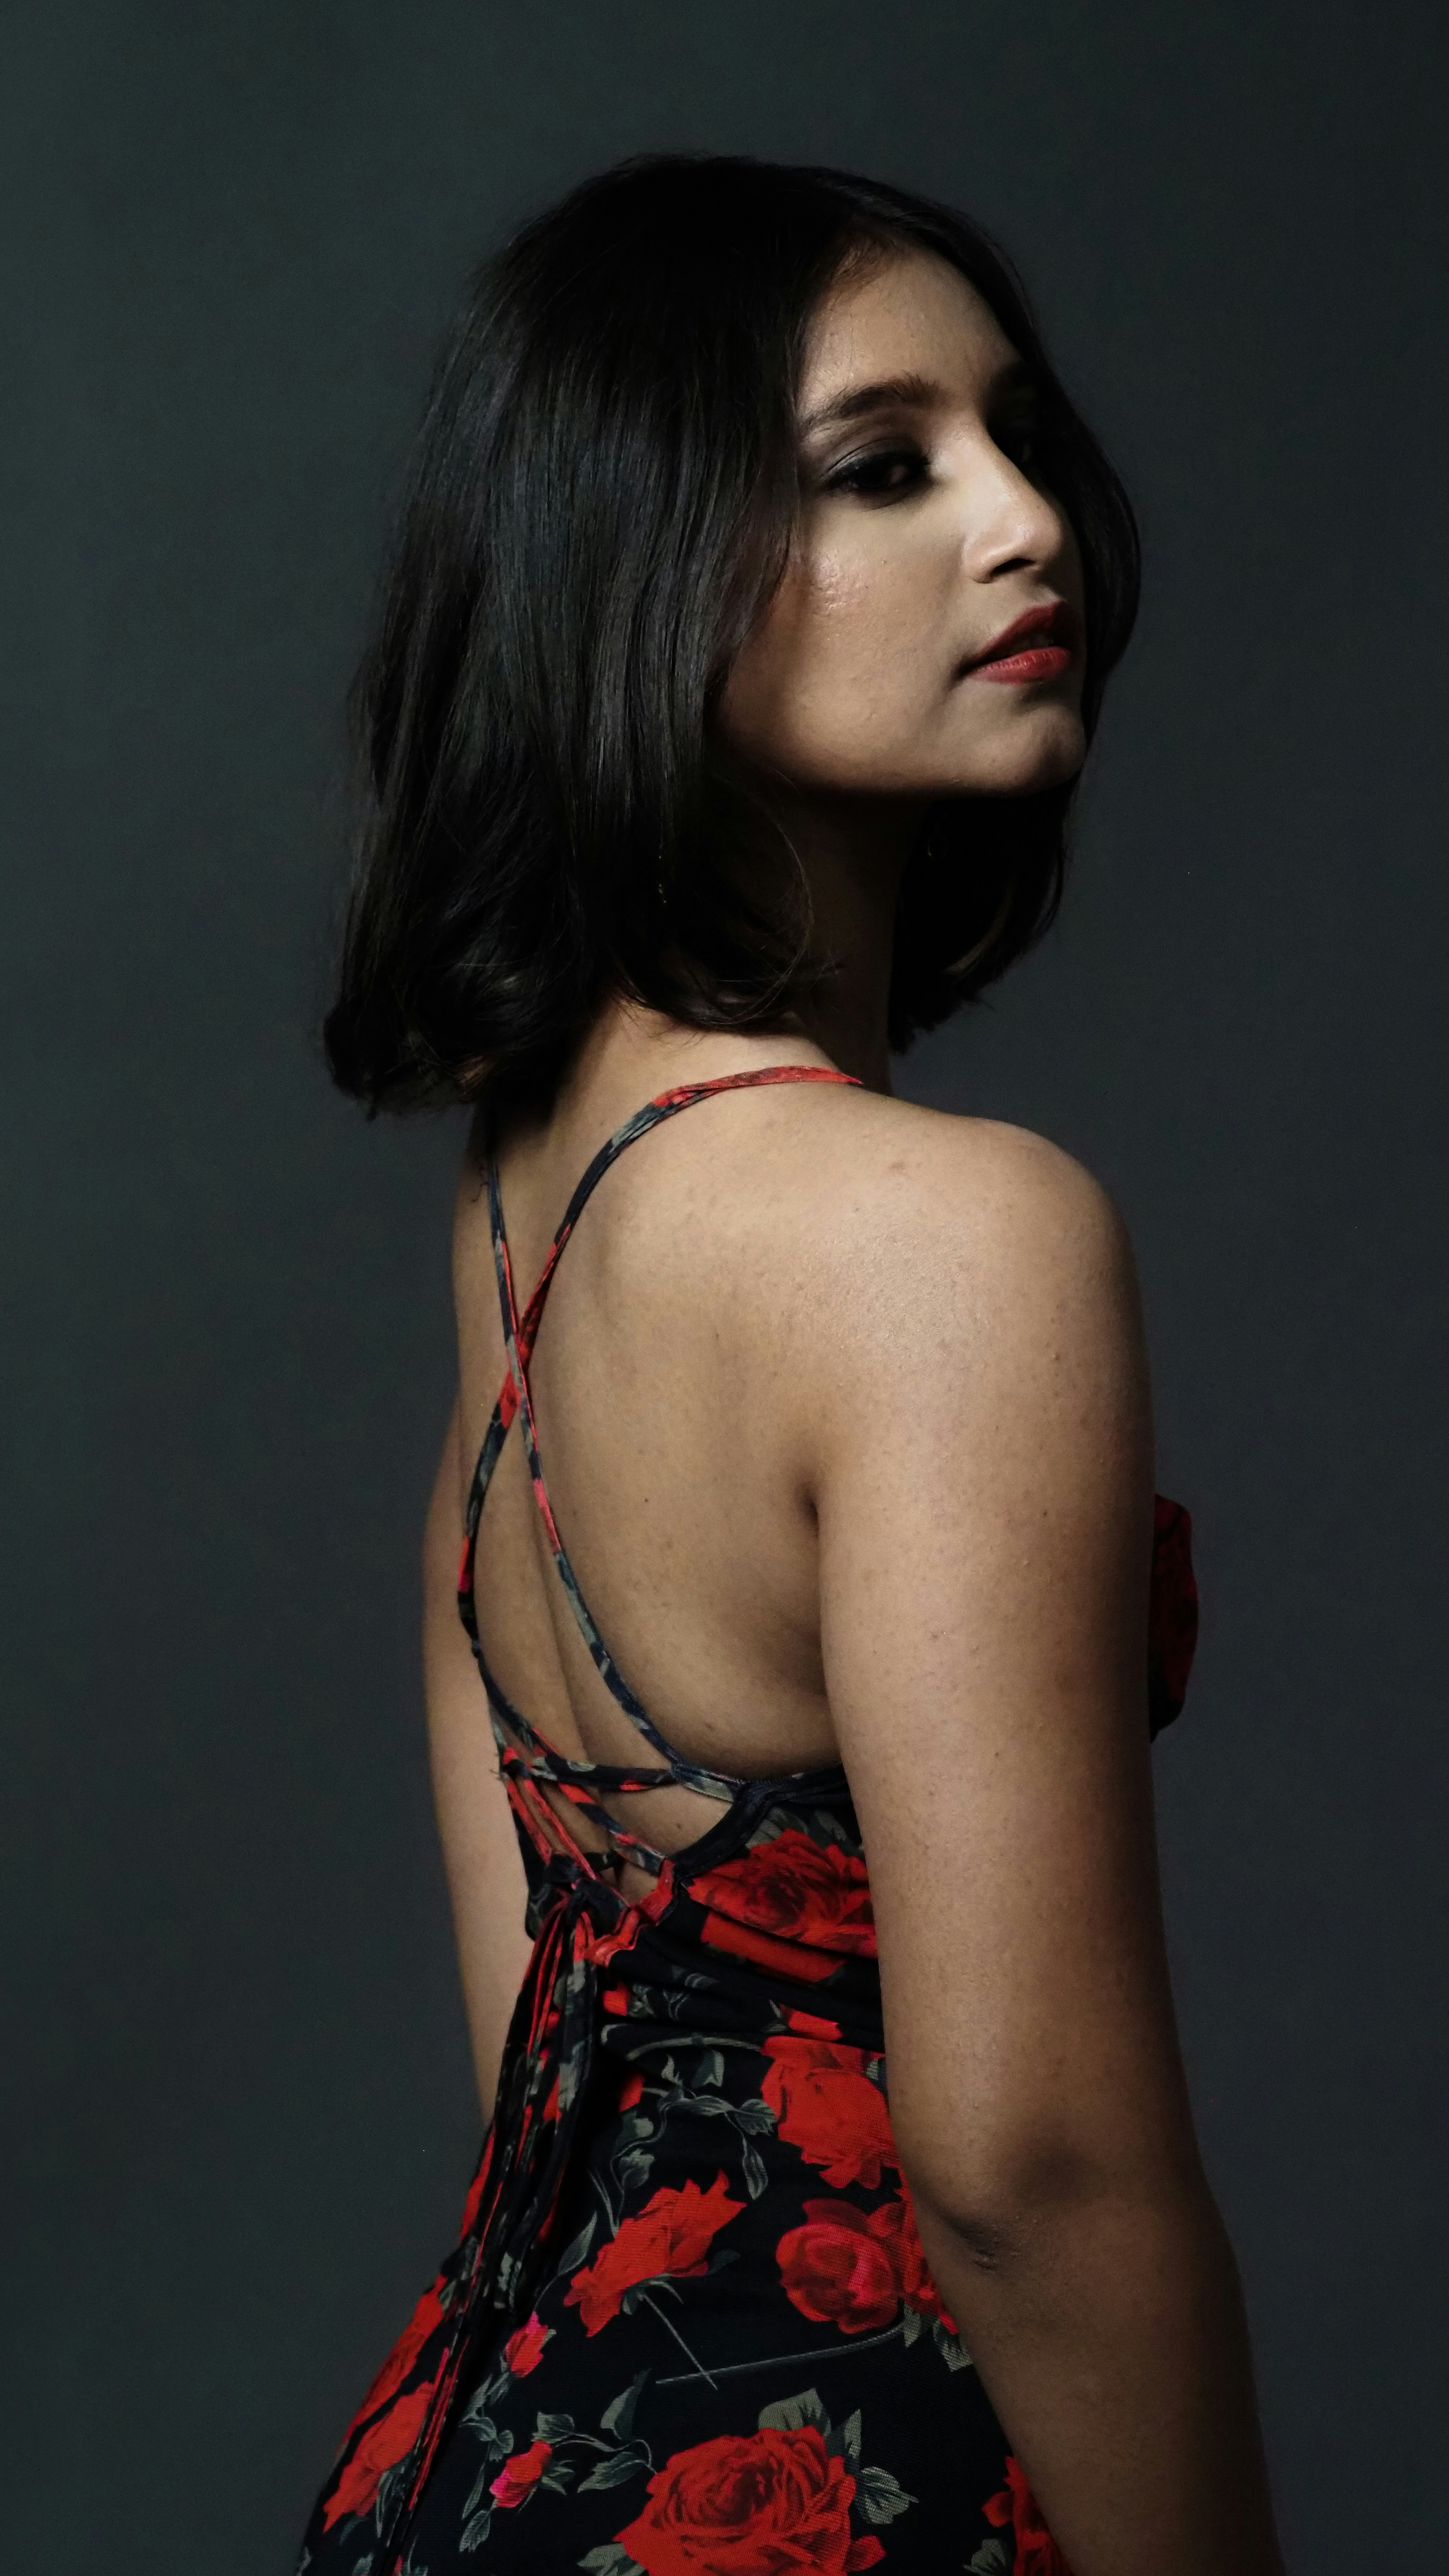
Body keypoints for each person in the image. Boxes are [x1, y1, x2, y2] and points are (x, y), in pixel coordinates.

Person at [297, 155, 1282, 2576]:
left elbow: (548, 2053)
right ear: (643, 568)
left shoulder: (524, 1254)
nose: (1029, 520)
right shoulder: (943, 1238)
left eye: (1019, 438)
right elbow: (1032, 2159)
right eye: (884, 466)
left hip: (479, 2483)